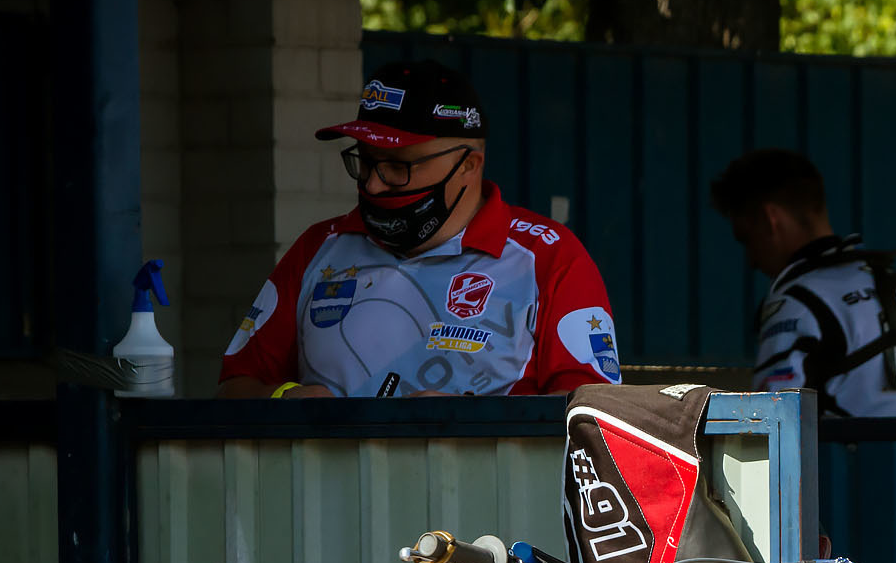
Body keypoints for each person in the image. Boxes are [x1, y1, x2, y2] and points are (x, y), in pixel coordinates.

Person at [219, 60, 621, 401]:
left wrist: (466, 425)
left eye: (398, 166)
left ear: (469, 165)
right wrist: (285, 398)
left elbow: (592, 415)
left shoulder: (548, 257)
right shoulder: (318, 248)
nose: (373, 185)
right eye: (365, 162)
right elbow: (234, 386)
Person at [709, 148, 896, 417]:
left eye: (746, 239)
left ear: (771, 220)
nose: (752, 261)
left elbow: (769, 428)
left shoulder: (798, 302)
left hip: (843, 459)